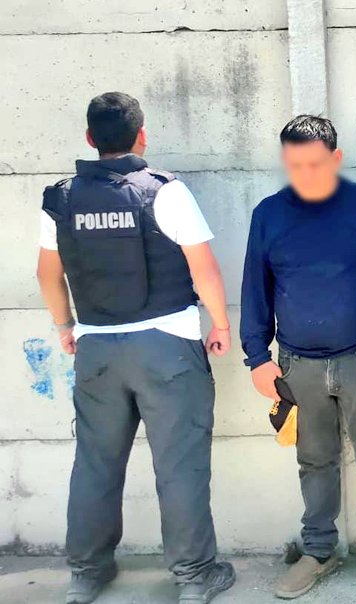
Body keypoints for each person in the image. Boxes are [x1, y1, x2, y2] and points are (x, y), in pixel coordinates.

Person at [36, 92, 235, 604]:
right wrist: (220, 323)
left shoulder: (60, 198)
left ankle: (86, 574)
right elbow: (204, 269)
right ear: (141, 135)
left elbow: (47, 274)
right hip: (167, 347)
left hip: (97, 350)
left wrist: (65, 326)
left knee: (95, 464)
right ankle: (194, 578)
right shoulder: (164, 192)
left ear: (90, 138)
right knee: (179, 465)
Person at [240, 115, 356, 603]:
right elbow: (255, 288)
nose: (304, 174)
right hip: (297, 366)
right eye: (294, 165)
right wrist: (257, 357)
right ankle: (318, 551)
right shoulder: (269, 214)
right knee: (314, 461)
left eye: (314, 164)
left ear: (336, 159)